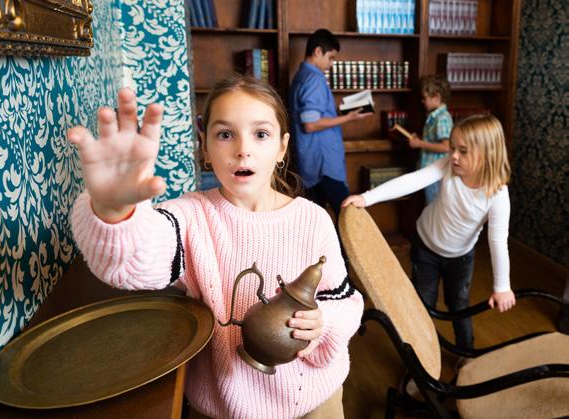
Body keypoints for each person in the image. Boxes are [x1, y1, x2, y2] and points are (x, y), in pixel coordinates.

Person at [68, 74, 363, 418]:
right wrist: (115, 212)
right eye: (225, 134)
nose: (242, 149)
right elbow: (134, 260)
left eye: (261, 134)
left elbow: (343, 301)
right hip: (223, 407)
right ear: (205, 148)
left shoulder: (313, 220)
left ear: (282, 148)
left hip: (313, 399)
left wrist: (323, 322)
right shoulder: (190, 217)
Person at [342, 114, 516, 350]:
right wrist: (367, 198)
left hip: (460, 257)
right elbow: (414, 180)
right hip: (426, 247)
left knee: (459, 305)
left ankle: (466, 352)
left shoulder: (497, 195)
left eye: (463, 151)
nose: (453, 155)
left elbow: (498, 242)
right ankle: (420, 353)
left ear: (487, 154)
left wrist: (502, 287)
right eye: (452, 148)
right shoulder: (449, 165)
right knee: (422, 304)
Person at [289, 28, 372, 221]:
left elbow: (311, 115)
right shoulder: (315, 79)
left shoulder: (301, 76)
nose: (332, 64)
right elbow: (310, 124)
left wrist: (336, 111)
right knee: (347, 216)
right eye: (331, 58)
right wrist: (349, 118)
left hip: (309, 160)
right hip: (323, 163)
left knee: (317, 219)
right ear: (318, 51)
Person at [405, 74, 453, 204]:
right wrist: (419, 139)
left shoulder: (442, 118)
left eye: (425, 98)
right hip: (429, 171)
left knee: (434, 205)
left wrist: (419, 144)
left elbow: (446, 146)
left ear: (436, 97)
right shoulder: (433, 116)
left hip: (436, 172)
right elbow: (433, 140)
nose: (422, 101)